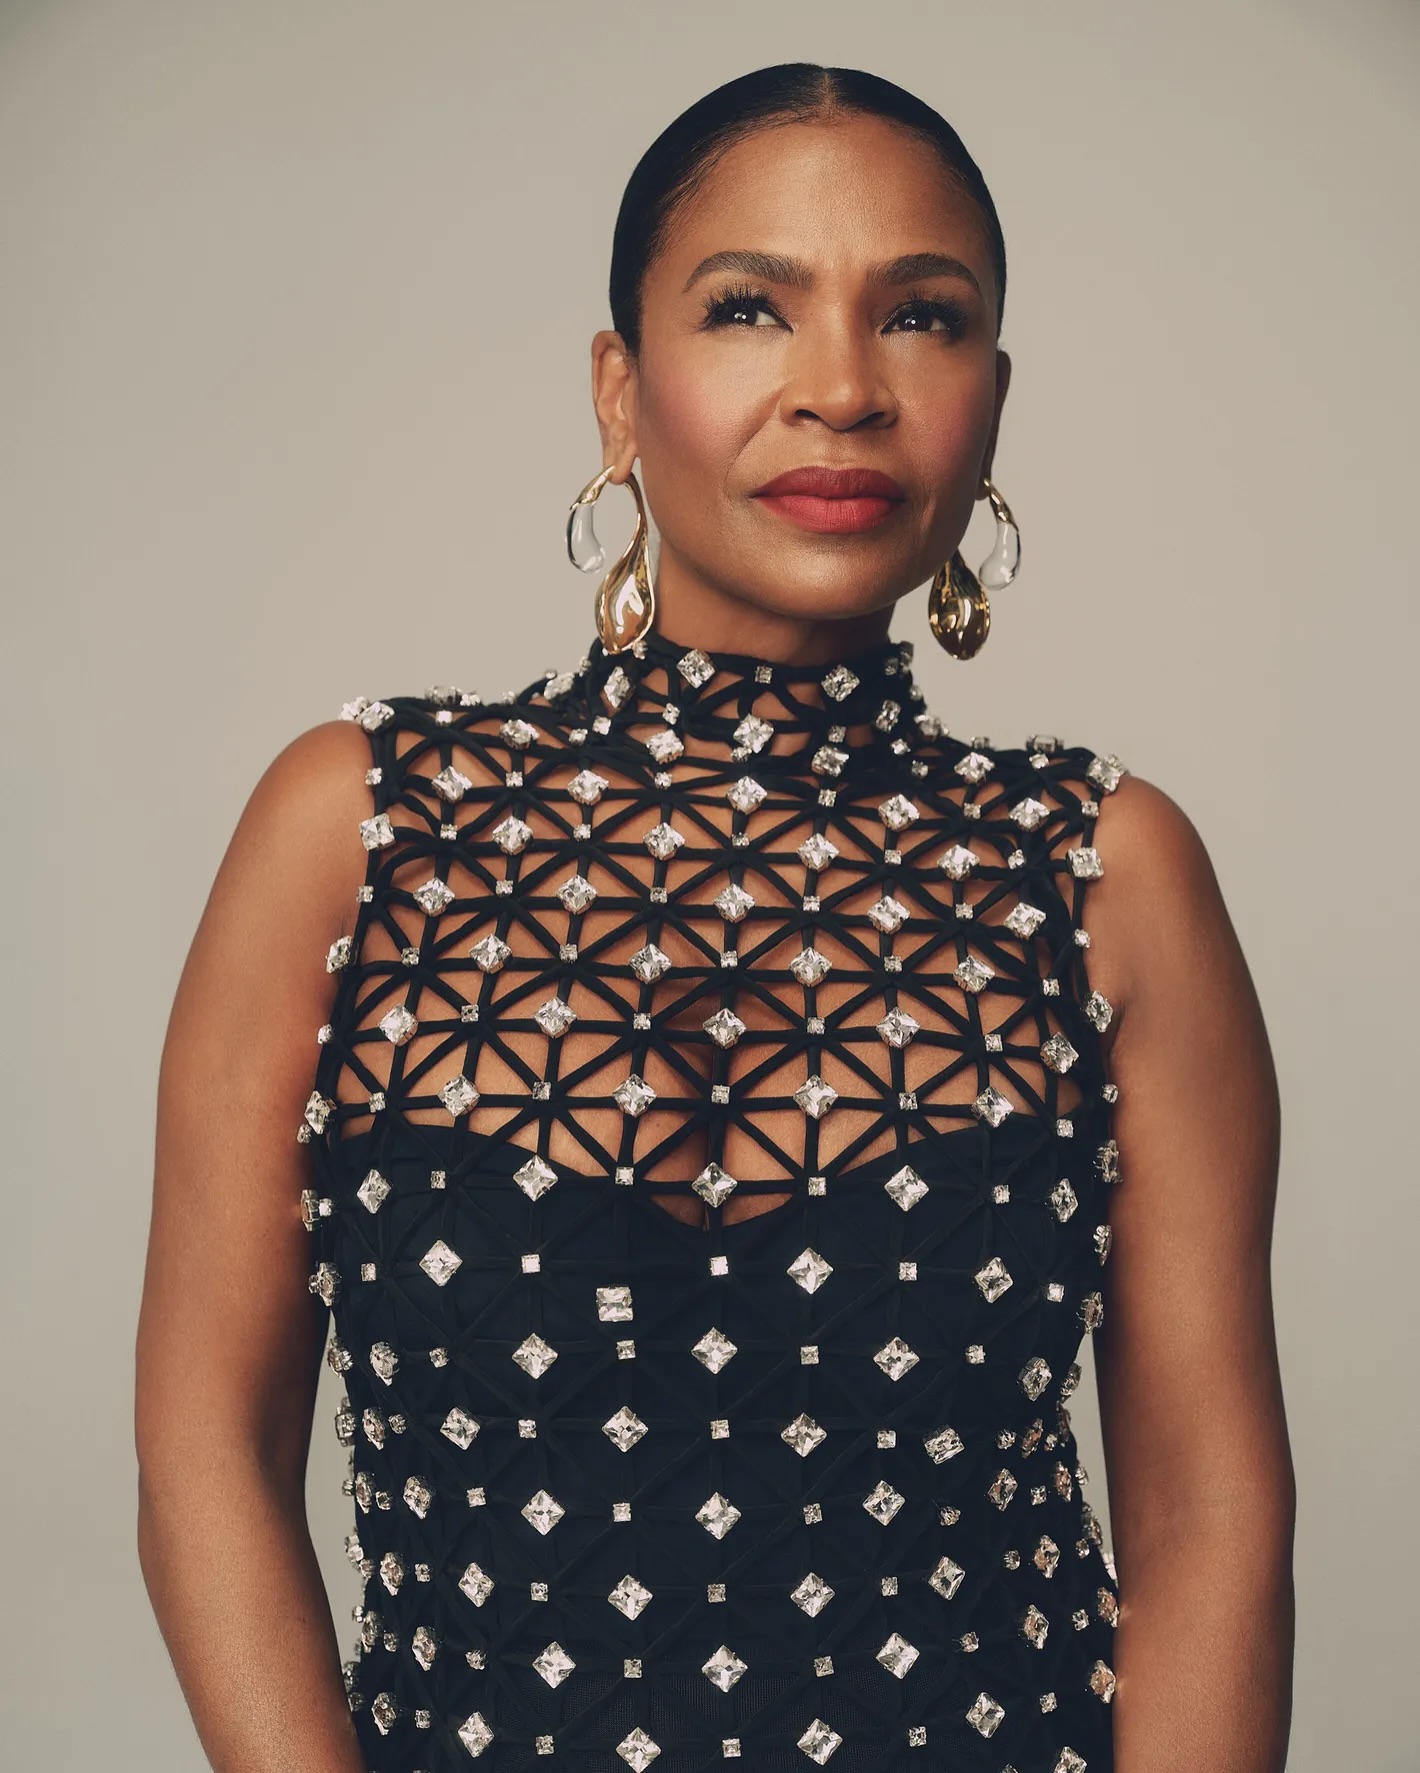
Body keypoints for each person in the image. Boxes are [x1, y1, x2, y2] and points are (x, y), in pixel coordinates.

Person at [135, 62, 1295, 1773]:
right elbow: (204, 1454)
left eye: (923, 315)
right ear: (620, 390)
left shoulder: (1103, 874)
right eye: (752, 307)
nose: (843, 388)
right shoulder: (363, 832)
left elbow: (1209, 1516)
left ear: (991, 402)